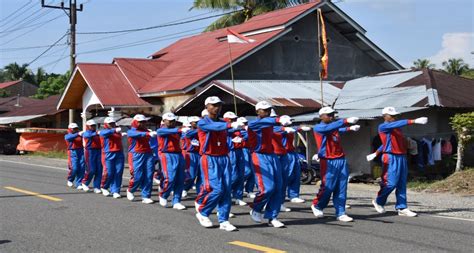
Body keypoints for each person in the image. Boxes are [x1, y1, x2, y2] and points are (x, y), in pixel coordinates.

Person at [366, 107, 428, 217]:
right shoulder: (383, 126)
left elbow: (385, 143)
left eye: (395, 115)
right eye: (392, 115)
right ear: (385, 116)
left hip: (401, 157)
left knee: (401, 183)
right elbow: (398, 124)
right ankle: (378, 201)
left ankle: (402, 207)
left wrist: (376, 153)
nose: (394, 117)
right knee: (390, 183)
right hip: (390, 157)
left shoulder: (397, 129)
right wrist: (414, 121)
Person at [195, 96, 243, 232]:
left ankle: (224, 220)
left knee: (227, 190)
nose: (217, 108)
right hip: (209, 158)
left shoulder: (222, 123)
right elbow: (215, 127)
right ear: (207, 107)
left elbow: (229, 129)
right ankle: (203, 212)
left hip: (224, 158)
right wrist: (230, 125)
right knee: (216, 189)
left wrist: (244, 127)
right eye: (214, 105)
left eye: (219, 105)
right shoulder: (203, 123)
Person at [247, 101, 292, 228]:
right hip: (259, 156)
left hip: (272, 155)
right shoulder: (254, 123)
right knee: (267, 188)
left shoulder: (269, 123)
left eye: (268, 110)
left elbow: (277, 127)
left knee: (278, 187)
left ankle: (272, 216)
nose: (266, 112)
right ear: (257, 111)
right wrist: (278, 120)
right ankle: (256, 208)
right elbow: (266, 123)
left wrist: (286, 126)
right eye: (264, 110)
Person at [311, 107, 360, 222]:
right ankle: (317, 205)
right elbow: (329, 128)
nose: (331, 117)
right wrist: (345, 121)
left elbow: (338, 130)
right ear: (321, 116)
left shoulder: (334, 128)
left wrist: (350, 128)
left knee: (342, 186)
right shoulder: (319, 127)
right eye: (329, 115)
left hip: (340, 160)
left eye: (332, 114)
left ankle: (340, 212)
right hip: (328, 161)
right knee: (328, 186)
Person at [157, 112, 187, 210]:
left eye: (173, 121)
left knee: (180, 179)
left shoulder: (177, 130)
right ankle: (163, 195)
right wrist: (179, 129)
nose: (171, 122)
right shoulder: (161, 130)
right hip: (166, 155)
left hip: (178, 154)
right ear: (164, 121)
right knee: (170, 178)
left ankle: (176, 201)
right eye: (169, 121)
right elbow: (168, 132)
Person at [126, 114, 156, 204]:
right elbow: (136, 134)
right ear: (135, 122)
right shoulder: (131, 131)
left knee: (149, 175)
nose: (142, 124)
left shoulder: (147, 131)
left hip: (148, 154)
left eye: (143, 122)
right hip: (136, 154)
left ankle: (146, 196)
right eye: (140, 122)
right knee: (137, 176)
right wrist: (147, 133)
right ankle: (131, 190)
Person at [223, 111, 247, 206]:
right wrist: (234, 127)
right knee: (233, 175)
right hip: (230, 152)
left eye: (235, 119)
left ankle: (238, 196)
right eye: (232, 119)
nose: (234, 121)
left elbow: (246, 135)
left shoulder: (238, 128)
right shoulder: (225, 127)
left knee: (241, 175)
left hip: (240, 151)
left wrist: (246, 130)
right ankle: (225, 194)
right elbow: (227, 131)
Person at [284, 124, 311, 204]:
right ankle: (279, 198)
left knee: (296, 174)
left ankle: (294, 195)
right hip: (282, 154)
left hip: (292, 153)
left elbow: (294, 128)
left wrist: (300, 127)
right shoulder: (274, 128)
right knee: (286, 176)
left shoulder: (290, 129)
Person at [99, 117, 125, 199]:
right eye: (110, 124)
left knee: (118, 172)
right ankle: (104, 187)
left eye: (113, 123)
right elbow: (103, 134)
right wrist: (114, 130)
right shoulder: (104, 131)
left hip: (119, 153)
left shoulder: (116, 131)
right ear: (106, 124)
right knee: (109, 172)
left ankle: (116, 190)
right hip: (108, 153)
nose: (112, 125)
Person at [182, 116, 202, 198]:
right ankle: (184, 188)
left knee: (201, 175)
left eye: (198, 122)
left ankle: (200, 192)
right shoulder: (188, 131)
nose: (197, 124)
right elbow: (188, 135)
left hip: (200, 154)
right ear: (191, 123)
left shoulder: (201, 132)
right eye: (195, 122)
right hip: (191, 154)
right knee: (191, 175)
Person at [81, 120, 103, 193]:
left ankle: (97, 186)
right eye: (91, 126)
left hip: (99, 151)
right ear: (88, 126)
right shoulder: (86, 133)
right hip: (90, 152)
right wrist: (96, 133)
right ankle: (85, 182)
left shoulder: (97, 133)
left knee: (99, 170)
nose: (93, 127)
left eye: (94, 125)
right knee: (91, 169)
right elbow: (88, 135)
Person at [239, 117, 256, 199]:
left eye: (246, 123)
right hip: (243, 150)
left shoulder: (247, 130)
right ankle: (237, 187)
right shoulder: (239, 131)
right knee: (247, 171)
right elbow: (246, 136)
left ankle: (249, 190)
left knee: (253, 171)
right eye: (244, 123)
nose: (246, 125)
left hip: (251, 149)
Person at [65, 123, 85, 189]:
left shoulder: (79, 134)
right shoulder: (68, 135)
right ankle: (70, 179)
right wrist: (78, 134)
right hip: (72, 152)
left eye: (76, 128)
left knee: (82, 168)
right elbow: (69, 138)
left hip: (81, 151)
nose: (75, 130)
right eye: (74, 129)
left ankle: (79, 183)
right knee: (74, 168)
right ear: (70, 129)